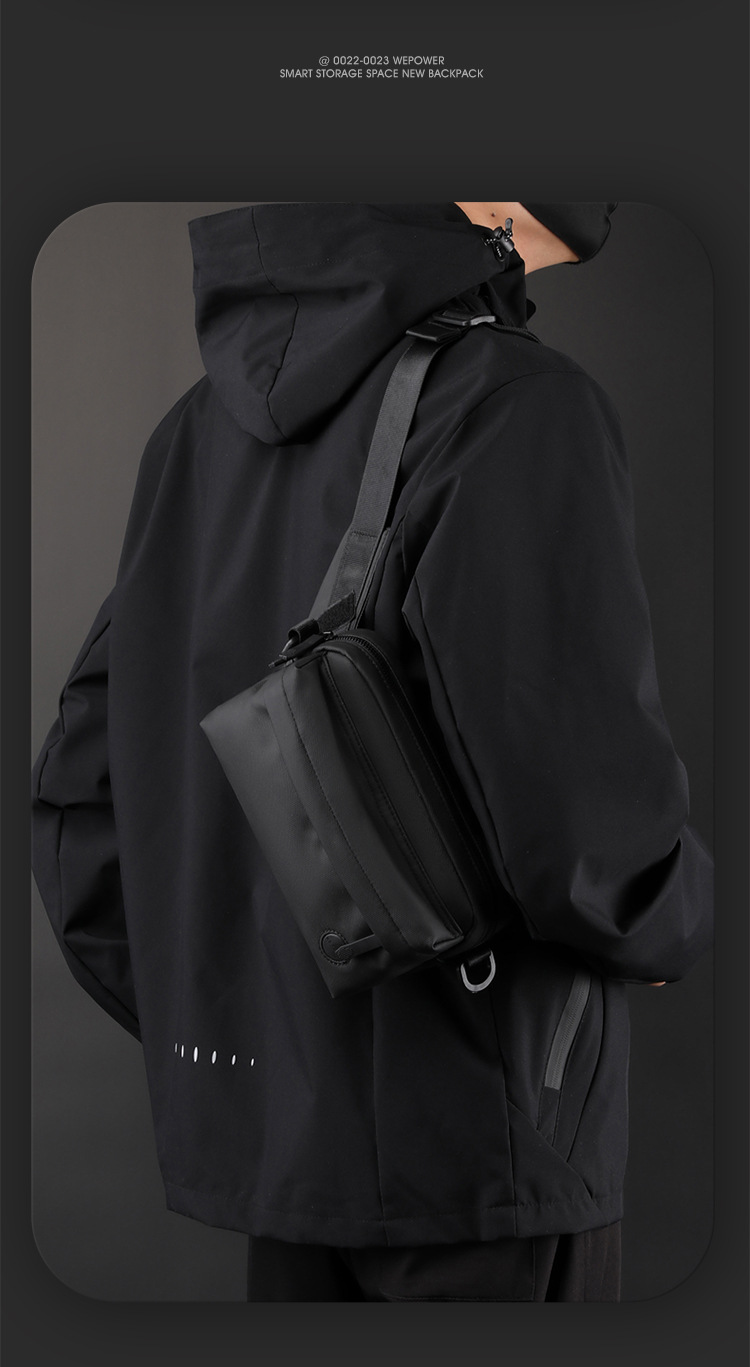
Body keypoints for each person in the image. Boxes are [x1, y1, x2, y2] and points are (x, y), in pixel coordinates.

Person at [31, 201, 713, 1302]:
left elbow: (81, 794)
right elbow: (583, 823)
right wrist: (666, 918)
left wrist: (244, 1024)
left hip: (284, 1164)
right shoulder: (517, 405)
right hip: (484, 1153)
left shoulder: (191, 435)